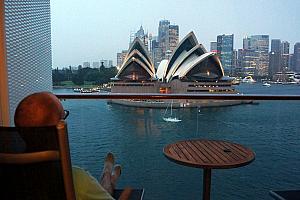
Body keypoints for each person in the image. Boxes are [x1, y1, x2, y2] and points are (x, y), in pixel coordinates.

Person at [14, 91, 132, 200]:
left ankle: (107, 172)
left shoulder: (9, 172)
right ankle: (109, 175)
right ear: (58, 130)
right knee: (106, 189)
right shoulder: (73, 178)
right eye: (64, 116)